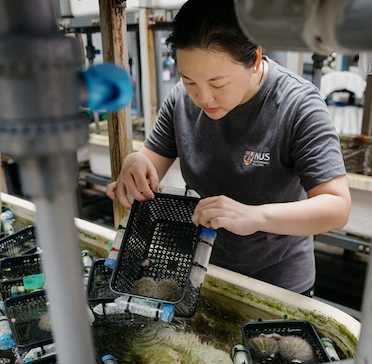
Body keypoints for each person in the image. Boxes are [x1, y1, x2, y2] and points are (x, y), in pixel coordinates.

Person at [106, 0, 351, 296]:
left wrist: (256, 216)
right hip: (202, 270)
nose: (203, 97)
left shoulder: (297, 106)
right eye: (189, 80)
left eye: (218, 84)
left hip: (278, 283)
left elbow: (337, 207)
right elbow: (149, 164)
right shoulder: (180, 101)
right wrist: (135, 162)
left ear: (256, 59)